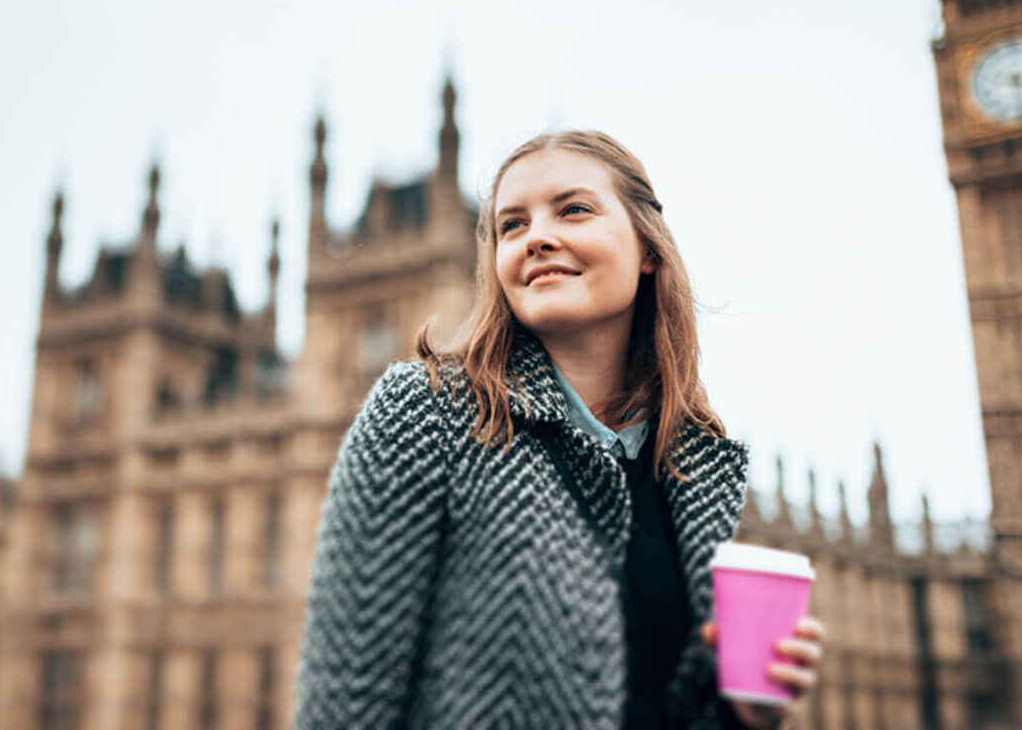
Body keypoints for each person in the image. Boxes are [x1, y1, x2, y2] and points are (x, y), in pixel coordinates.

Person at [294, 130, 824, 728]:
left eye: (573, 209)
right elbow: (343, 701)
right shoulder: (427, 411)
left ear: (648, 247)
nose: (538, 236)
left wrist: (741, 713)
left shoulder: (695, 465)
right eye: (511, 225)